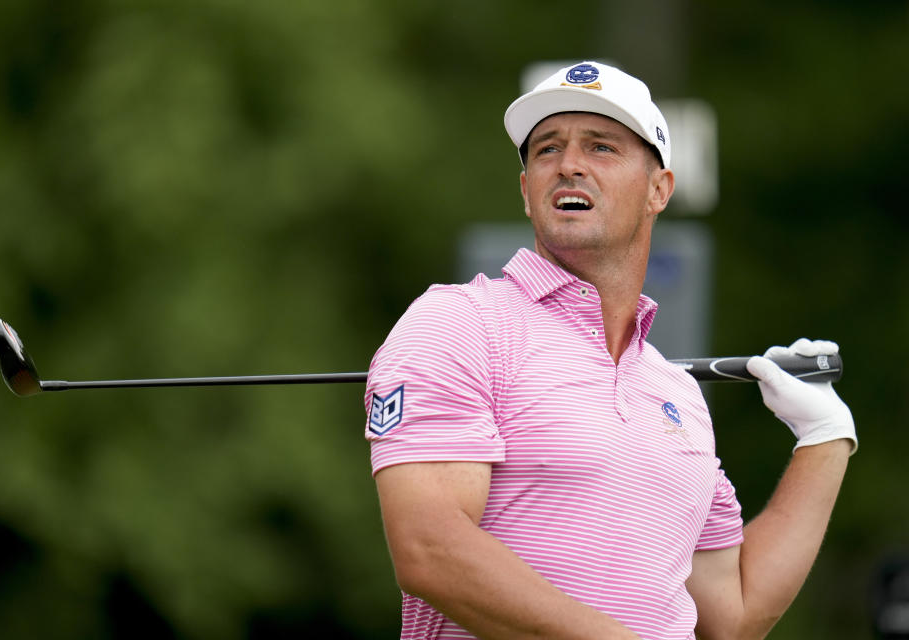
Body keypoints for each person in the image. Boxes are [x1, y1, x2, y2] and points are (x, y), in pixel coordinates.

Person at [364, 60, 857, 640]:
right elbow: (431, 551)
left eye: (601, 147)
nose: (568, 165)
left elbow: (734, 612)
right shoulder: (460, 323)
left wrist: (825, 440)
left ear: (658, 189)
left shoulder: (677, 394)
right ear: (527, 191)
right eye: (546, 150)